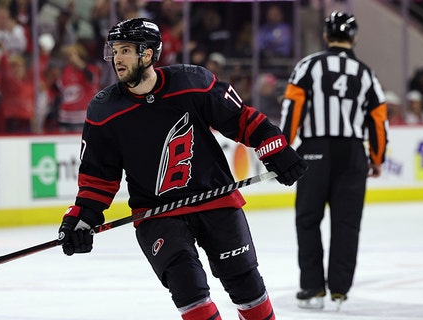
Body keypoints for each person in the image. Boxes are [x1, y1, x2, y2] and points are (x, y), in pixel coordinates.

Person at [57, 18, 308, 320]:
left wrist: (274, 146)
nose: (117, 58)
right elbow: (98, 175)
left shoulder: (193, 82)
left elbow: (240, 119)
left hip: (215, 198)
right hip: (157, 214)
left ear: (147, 54)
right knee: (189, 291)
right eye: (114, 50)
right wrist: (82, 218)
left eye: (125, 50)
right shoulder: (104, 110)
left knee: (246, 285)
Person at [279, 11, 388, 310]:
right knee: (347, 223)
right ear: (354, 38)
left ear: (326, 36)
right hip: (353, 153)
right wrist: (376, 158)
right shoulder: (366, 73)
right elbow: (378, 120)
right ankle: (339, 291)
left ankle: (313, 290)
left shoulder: (307, 66)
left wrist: (283, 149)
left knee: (308, 220)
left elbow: (292, 110)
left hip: (314, 149)